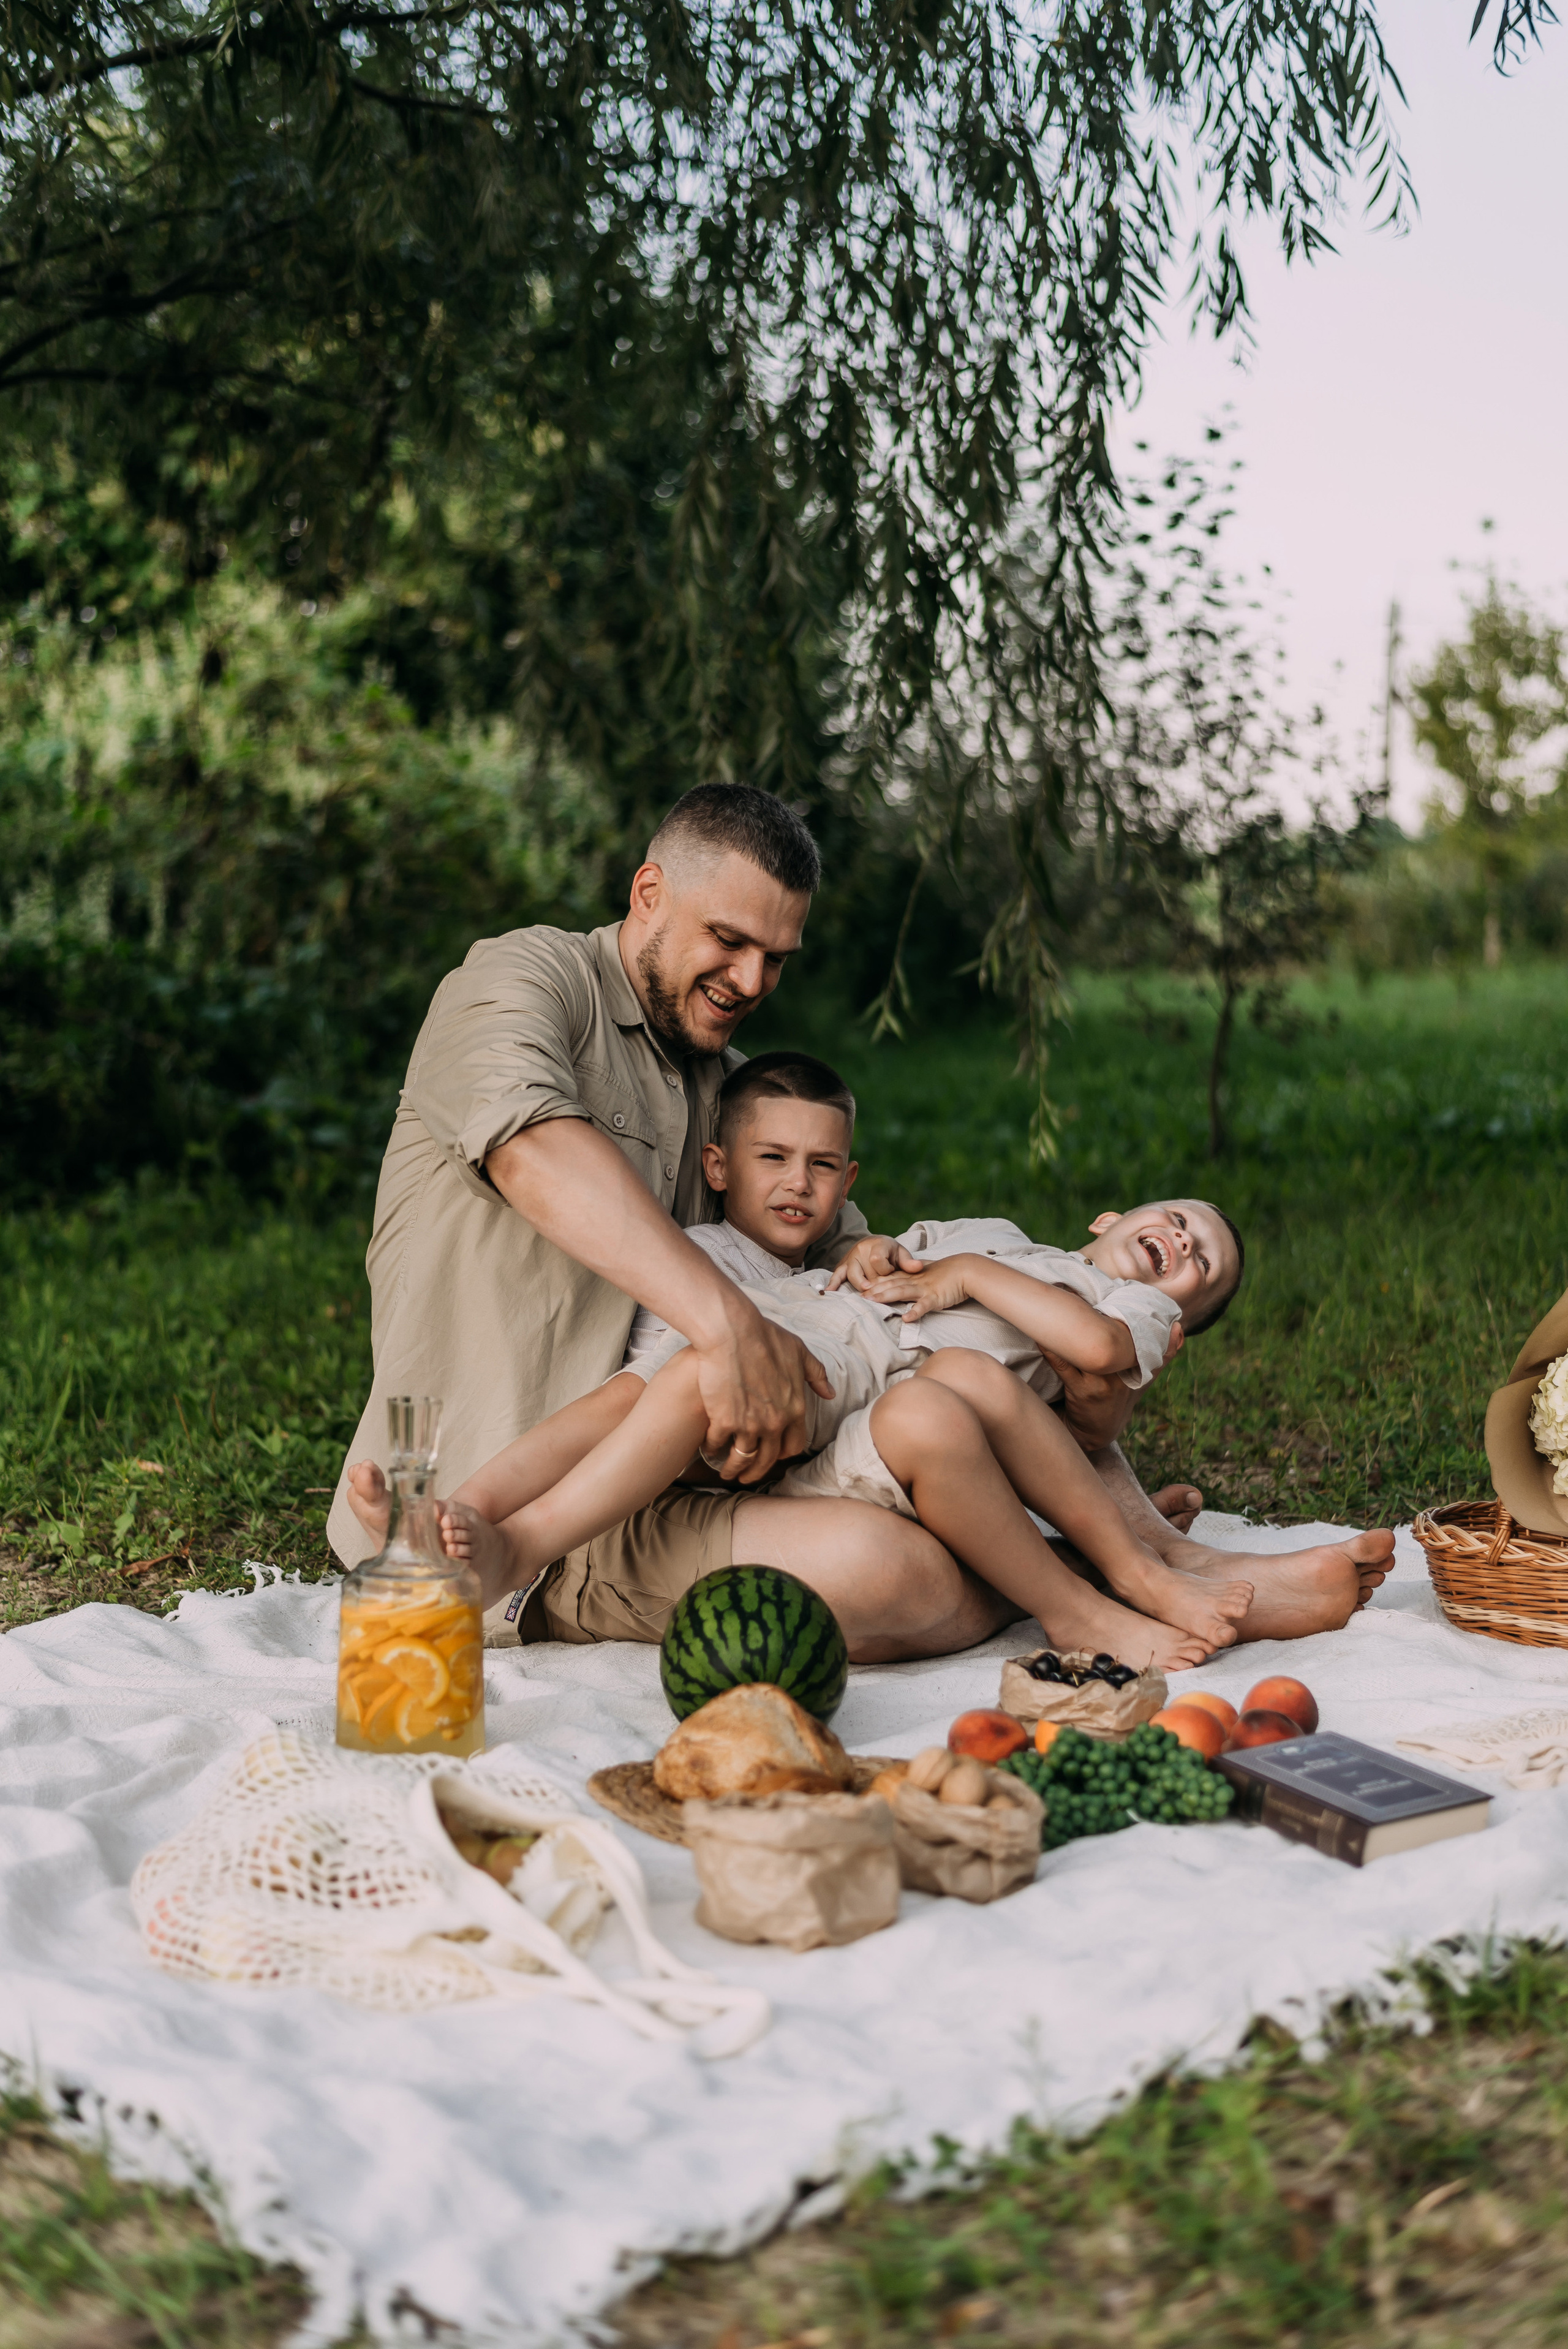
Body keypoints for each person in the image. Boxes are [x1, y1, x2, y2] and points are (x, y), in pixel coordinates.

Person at [347, 1050, 1392, 1660]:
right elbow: (901, 1274)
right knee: (657, 1389)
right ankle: (489, 1526)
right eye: (1178, 1222)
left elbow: (1074, 1361)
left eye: (1202, 1264)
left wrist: (940, 1276)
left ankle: (1167, 1573)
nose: (1185, 1249)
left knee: (955, 1392)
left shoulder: (1103, 1302)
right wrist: (911, 1260)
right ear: (1113, 1212)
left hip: (880, 1399)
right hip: (831, 1383)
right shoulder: (983, 1242)